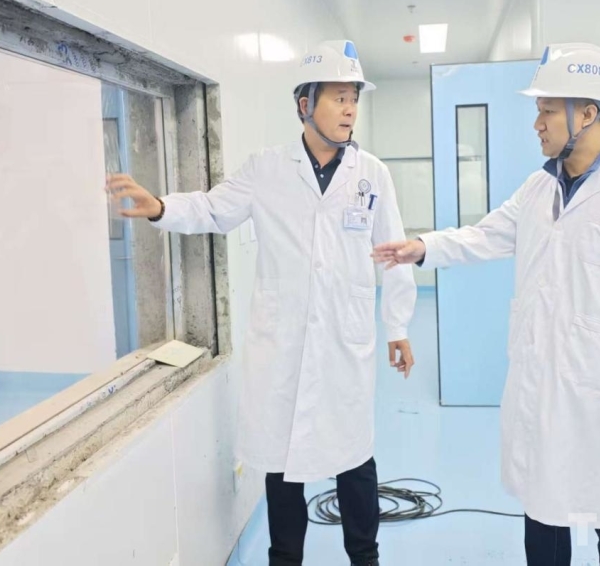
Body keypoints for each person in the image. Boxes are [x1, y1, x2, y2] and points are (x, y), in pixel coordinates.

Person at [373, 42, 600, 565]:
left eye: (547, 111)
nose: (536, 124)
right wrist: (423, 247)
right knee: (542, 502)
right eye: (538, 110)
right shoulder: (539, 189)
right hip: (540, 378)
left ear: (587, 113)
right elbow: (485, 235)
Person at [108, 40, 417, 566]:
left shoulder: (373, 175)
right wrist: (160, 206)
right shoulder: (267, 169)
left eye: (354, 99)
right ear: (305, 105)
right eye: (338, 97)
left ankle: (365, 559)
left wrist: (398, 326)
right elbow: (213, 209)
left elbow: (395, 254)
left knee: (355, 459)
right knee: (282, 461)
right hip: (284, 343)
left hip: (344, 343)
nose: (349, 109)